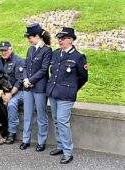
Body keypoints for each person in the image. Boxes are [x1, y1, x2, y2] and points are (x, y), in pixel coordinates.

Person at [46, 27, 88, 164]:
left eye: (63, 38)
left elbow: (83, 77)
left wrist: (73, 89)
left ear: (70, 39)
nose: (60, 41)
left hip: (66, 95)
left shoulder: (79, 57)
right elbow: (53, 72)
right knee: (57, 121)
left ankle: (68, 152)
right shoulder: (56, 53)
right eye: (59, 38)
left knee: (63, 122)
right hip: (53, 92)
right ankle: (60, 146)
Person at [20, 23, 51, 151]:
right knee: (27, 115)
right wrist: (26, 79)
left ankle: (41, 141)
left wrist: (31, 80)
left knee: (41, 115)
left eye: (30, 37)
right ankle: (26, 140)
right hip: (28, 87)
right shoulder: (31, 49)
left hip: (39, 88)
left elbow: (44, 69)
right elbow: (26, 65)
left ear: (37, 36)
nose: (28, 39)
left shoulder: (47, 50)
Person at [0, 41, 24, 144]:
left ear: (11, 49)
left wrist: (11, 94)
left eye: (5, 50)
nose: (3, 52)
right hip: (2, 91)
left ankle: (11, 133)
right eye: (1, 50)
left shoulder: (19, 61)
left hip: (17, 91)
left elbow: (19, 81)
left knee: (11, 104)